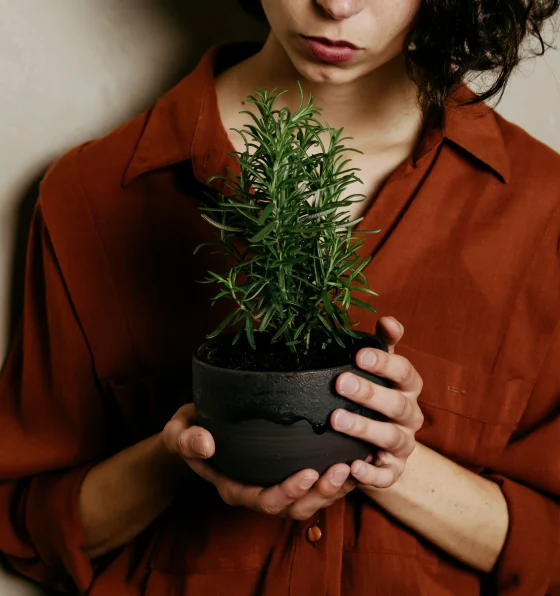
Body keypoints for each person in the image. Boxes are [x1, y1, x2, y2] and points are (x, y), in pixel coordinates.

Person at [0, 0, 559, 594]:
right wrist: (183, 454)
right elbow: (31, 525)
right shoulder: (90, 194)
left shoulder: (540, 210)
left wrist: (395, 462)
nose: (337, 5)